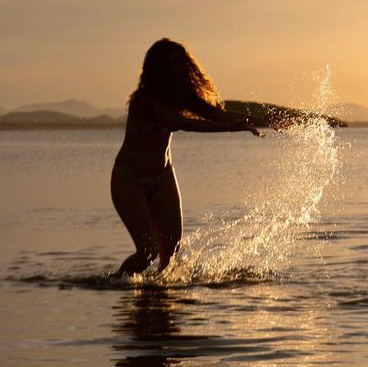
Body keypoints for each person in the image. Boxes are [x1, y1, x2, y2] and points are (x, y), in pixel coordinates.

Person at [111, 38, 265, 277]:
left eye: (182, 62)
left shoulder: (180, 97)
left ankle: (161, 297)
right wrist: (234, 128)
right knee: (148, 251)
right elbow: (184, 124)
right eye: (173, 62)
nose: (180, 67)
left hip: (162, 177)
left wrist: (259, 121)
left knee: (171, 252)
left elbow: (216, 114)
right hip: (128, 180)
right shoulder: (143, 101)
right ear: (159, 67)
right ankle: (117, 284)